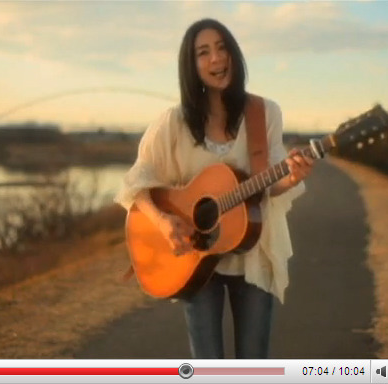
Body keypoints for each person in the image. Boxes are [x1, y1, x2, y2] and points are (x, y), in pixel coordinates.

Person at [114, 18, 314, 359]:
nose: (216, 59)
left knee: (253, 363)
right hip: (194, 259)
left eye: (222, 48)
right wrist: (163, 221)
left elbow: (272, 182)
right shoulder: (173, 123)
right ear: (190, 66)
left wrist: (293, 176)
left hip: (254, 254)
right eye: (203, 52)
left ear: (234, 54)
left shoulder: (264, 113)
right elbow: (138, 181)